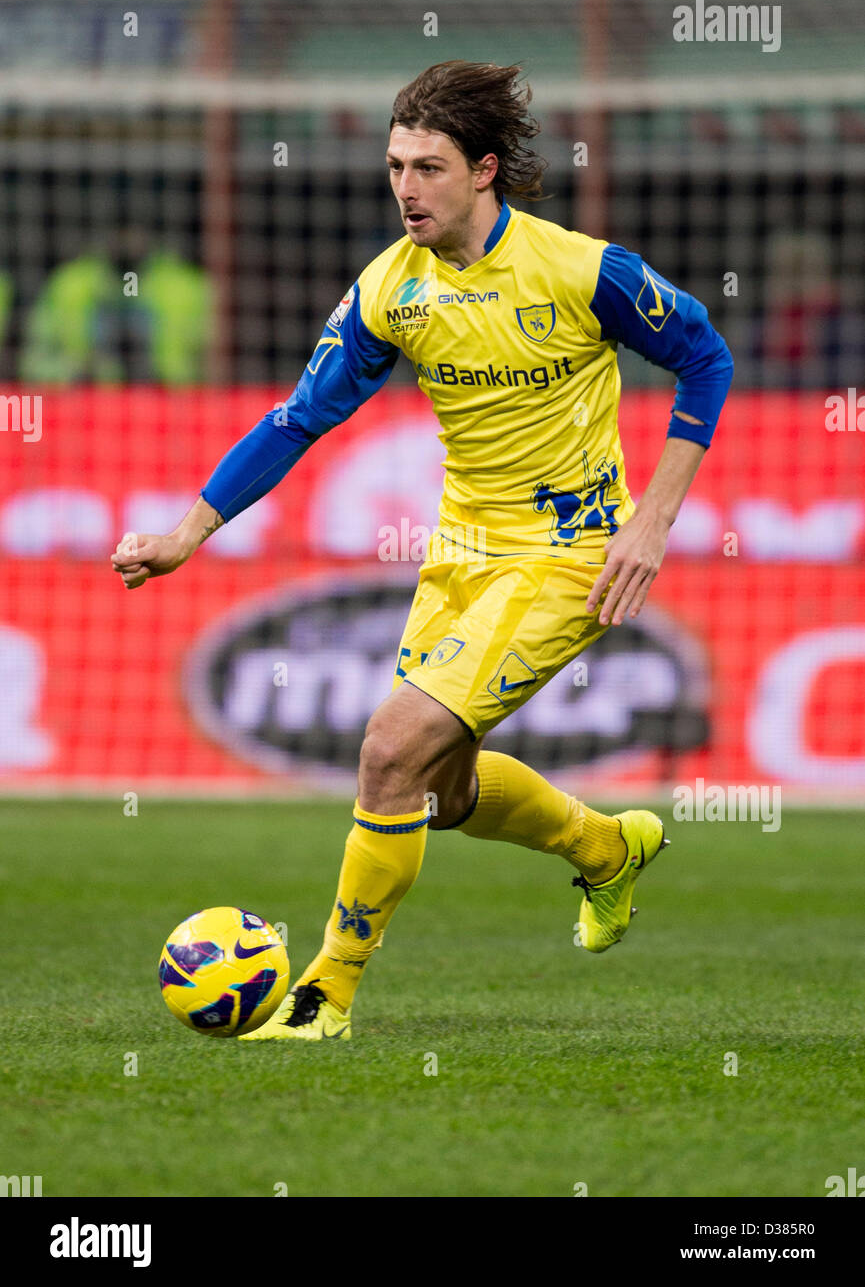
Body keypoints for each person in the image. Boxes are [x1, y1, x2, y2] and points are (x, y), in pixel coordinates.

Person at [111, 61, 733, 1041]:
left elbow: (704, 355)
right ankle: (606, 849)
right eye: (396, 165)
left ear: (483, 171)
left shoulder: (581, 270)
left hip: (568, 553)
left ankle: (325, 996)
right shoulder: (388, 289)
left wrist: (650, 521)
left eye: (429, 168)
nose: (406, 188)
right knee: (437, 790)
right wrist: (186, 533)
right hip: (459, 555)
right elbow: (298, 417)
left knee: (387, 751)